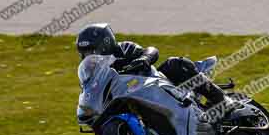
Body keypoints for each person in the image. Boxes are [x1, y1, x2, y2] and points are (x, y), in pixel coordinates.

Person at [75, 23, 233, 111]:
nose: (88, 56)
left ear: (105, 44)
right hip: (130, 97)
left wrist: (144, 59)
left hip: (159, 84)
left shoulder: (124, 49)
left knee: (175, 64)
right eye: (84, 53)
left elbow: (151, 50)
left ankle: (222, 101)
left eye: (91, 51)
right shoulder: (94, 71)